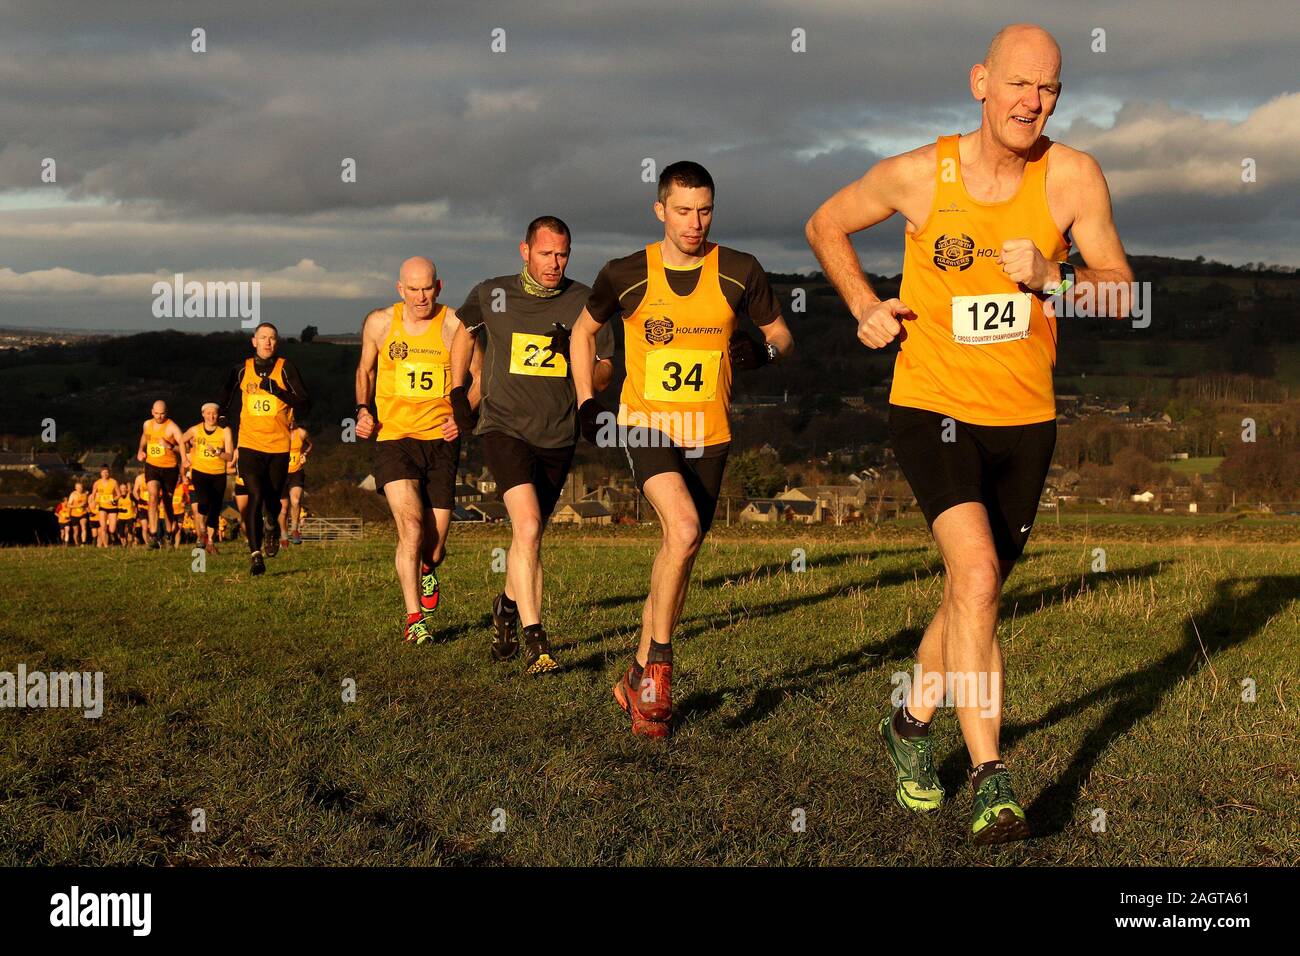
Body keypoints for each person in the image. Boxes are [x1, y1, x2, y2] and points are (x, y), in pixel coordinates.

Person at [805, 23, 1134, 844]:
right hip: (933, 404)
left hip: (1026, 420)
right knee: (980, 576)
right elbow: (824, 223)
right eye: (1020, 84)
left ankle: (909, 725)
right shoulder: (921, 174)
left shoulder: (1072, 177)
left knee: (969, 595)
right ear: (981, 82)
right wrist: (863, 306)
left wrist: (1057, 277)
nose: (1034, 101)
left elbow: (1123, 296)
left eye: (1050, 88)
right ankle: (993, 778)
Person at [570, 161, 794, 737]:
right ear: (660, 210)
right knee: (686, 529)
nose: (695, 223)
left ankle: (635, 678)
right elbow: (581, 331)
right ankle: (661, 672)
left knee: (679, 549)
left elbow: (782, 335)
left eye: (705, 210)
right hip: (645, 425)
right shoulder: (625, 274)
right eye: (684, 210)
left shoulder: (740, 270)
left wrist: (761, 354)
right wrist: (586, 402)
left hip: (710, 435)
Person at [450, 216, 615, 674]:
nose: (554, 263)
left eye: (562, 254)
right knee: (525, 527)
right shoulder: (493, 293)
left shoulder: (585, 301)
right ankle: (536, 639)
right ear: (525, 252)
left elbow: (603, 371)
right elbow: (461, 332)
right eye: (545, 254)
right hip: (504, 427)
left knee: (531, 533)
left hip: (558, 433)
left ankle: (505, 606)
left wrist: (573, 355)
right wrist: (457, 388)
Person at [355, 256, 468, 646]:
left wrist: (464, 417)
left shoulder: (455, 325)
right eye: (413, 289)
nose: (421, 297)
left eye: (428, 288)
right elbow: (365, 371)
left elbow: (480, 376)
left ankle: (428, 567)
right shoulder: (380, 323)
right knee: (411, 527)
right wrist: (363, 409)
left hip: (441, 440)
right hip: (395, 438)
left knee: (433, 548)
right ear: (400, 288)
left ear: (439, 287)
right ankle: (414, 619)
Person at [215, 323, 312, 575]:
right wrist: (223, 416)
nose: (268, 342)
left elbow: (304, 401)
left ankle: (271, 524)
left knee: (273, 502)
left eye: (272, 338)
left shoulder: (285, 368)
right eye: (263, 338)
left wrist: (278, 391)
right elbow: (224, 393)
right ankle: (255, 555)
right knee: (255, 496)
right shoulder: (241, 369)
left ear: (276, 343)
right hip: (249, 444)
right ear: (254, 341)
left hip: (279, 446)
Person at [136, 400, 188, 549]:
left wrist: (184, 459)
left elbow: (182, 442)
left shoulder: (172, 427)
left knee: (167, 502)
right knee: (152, 496)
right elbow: (145, 437)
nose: (159, 416)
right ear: (152, 412)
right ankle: (153, 535)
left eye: (162, 413)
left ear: (167, 412)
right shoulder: (147, 424)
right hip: (152, 466)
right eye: (157, 413)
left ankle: (169, 533)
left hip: (169, 468)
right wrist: (140, 450)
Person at [184, 403, 235, 554]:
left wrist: (219, 452)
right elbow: (181, 439)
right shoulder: (195, 430)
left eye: (214, 414)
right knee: (203, 503)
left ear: (218, 415)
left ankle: (210, 542)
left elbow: (230, 456)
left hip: (219, 474)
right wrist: (184, 455)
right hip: (200, 472)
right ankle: (202, 532)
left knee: (215, 509)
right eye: (208, 413)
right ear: (203, 414)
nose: (211, 416)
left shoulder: (225, 431)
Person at [279, 416, 312, 545]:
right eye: (288, 419)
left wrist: (305, 454)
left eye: (293, 419)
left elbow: (310, 444)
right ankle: (283, 535)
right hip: (280, 474)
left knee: (296, 501)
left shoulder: (302, 433)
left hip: (296, 472)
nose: (291, 422)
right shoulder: (279, 432)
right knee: (283, 508)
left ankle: (294, 530)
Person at [90, 466, 118, 548]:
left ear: (109, 473)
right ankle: (106, 545)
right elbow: (93, 494)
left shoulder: (114, 482)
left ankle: (111, 536)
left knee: (112, 529)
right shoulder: (97, 483)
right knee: (103, 527)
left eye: (107, 472)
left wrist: (113, 500)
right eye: (103, 472)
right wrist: (93, 502)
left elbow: (119, 494)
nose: (105, 474)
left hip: (112, 507)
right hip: (102, 507)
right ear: (100, 473)